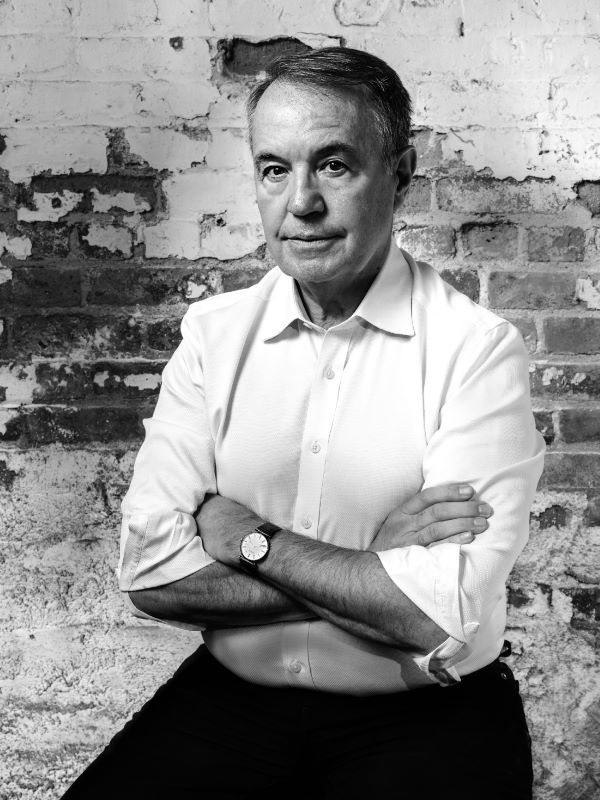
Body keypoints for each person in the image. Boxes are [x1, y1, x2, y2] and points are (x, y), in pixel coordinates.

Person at [61, 47, 545, 799]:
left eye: (334, 165)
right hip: (232, 704)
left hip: (424, 718)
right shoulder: (213, 337)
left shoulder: (476, 350)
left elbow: (432, 613)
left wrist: (247, 540)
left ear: (401, 173)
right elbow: (151, 575)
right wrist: (370, 561)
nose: (302, 202)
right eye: (274, 169)